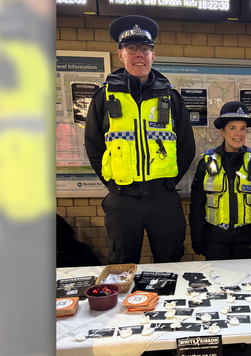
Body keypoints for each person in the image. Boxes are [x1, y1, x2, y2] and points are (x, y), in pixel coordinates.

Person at [85, 15, 195, 264]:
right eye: (132, 48)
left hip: (163, 199)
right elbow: (93, 146)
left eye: (145, 49)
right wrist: (115, 183)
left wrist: (167, 184)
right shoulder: (104, 97)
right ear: (120, 54)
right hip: (122, 200)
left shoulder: (171, 98)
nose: (139, 55)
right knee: (122, 266)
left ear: (152, 56)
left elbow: (186, 147)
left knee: (170, 264)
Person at [189, 101, 251, 260]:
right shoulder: (208, 162)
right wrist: (197, 238)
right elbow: (196, 205)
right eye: (232, 128)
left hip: (247, 239)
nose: (239, 133)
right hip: (214, 239)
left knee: (245, 282)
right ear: (222, 131)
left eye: (243, 128)